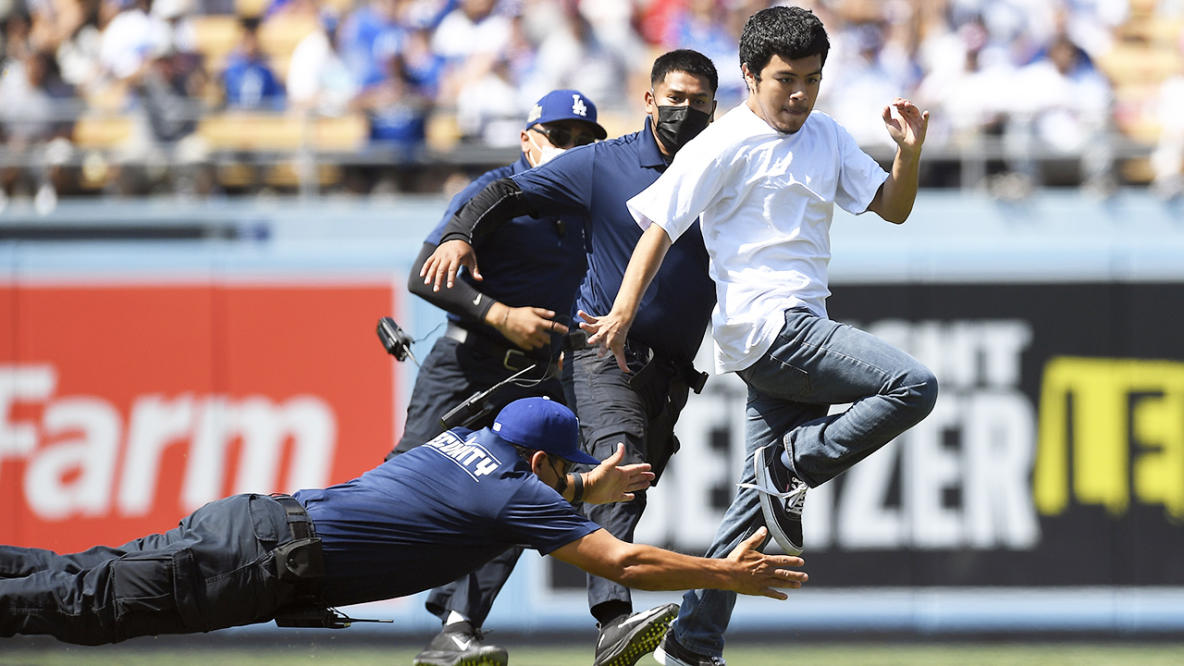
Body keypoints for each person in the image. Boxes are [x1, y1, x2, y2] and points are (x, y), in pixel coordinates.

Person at [581, 8, 940, 664]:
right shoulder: (721, 143)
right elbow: (658, 226)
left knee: (752, 515)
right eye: (784, 80)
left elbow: (892, 208)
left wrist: (908, 153)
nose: (799, 93)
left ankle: (690, 647)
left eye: (811, 78)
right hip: (770, 328)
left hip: (789, 332)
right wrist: (623, 311)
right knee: (914, 385)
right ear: (749, 76)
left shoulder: (827, 135)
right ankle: (792, 464)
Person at [0, 398, 808, 651]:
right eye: (568, 476)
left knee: (75, 572)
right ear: (541, 468)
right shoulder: (520, 496)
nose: (570, 490)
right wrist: (725, 574)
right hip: (261, 565)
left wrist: (585, 479)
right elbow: (623, 564)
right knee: (85, 607)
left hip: (249, 522)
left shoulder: (459, 444)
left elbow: (515, 483)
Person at [421, 49, 720, 666]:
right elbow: (504, 188)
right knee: (619, 470)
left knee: (551, 492)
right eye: (674, 97)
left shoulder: (726, 165)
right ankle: (612, 621)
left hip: (660, 373)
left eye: (697, 101)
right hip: (595, 356)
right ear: (648, 99)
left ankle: (456, 621)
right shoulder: (597, 168)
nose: (684, 110)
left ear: (717, 108)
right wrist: (458, 233)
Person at [391, 88, 606, 666]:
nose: (573, 150)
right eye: (561, 137)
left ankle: (457, 627)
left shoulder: (586, 205)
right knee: (408, 484)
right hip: (467, 364)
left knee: (528, 492)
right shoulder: (496, 193)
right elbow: (423, 275)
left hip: (534, 379)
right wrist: (499, 314)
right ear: (528, 139)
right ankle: (317, 578)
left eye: (585, 142)